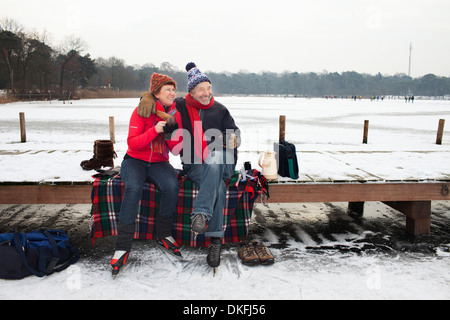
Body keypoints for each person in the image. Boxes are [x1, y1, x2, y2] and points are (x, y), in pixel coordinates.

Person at [138, 62, 240, 269]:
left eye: (208, 88)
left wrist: (226, 140)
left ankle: (200, 212)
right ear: (192, 91)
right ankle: (216, 241)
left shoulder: (220, 110)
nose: (206, 92)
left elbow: (236, 136)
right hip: (194, 164)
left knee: (216, 156)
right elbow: (158, 101)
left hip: (224, 162)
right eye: (201, 89)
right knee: (217, 187)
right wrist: (147, 98)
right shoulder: (181, 107)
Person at [111, 73, 181, 276]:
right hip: (135, 161)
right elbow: (133, 143)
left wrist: (172, 133)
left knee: (172, 186)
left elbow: (175, 150)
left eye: (173, 89)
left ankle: (164, 234)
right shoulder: (142, 111)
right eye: (167, 89)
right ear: (156, 93)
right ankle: (122, 245)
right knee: (133, 188)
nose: (172, 92)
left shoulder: (173, 114)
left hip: (159, 162)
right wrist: (154, 130)